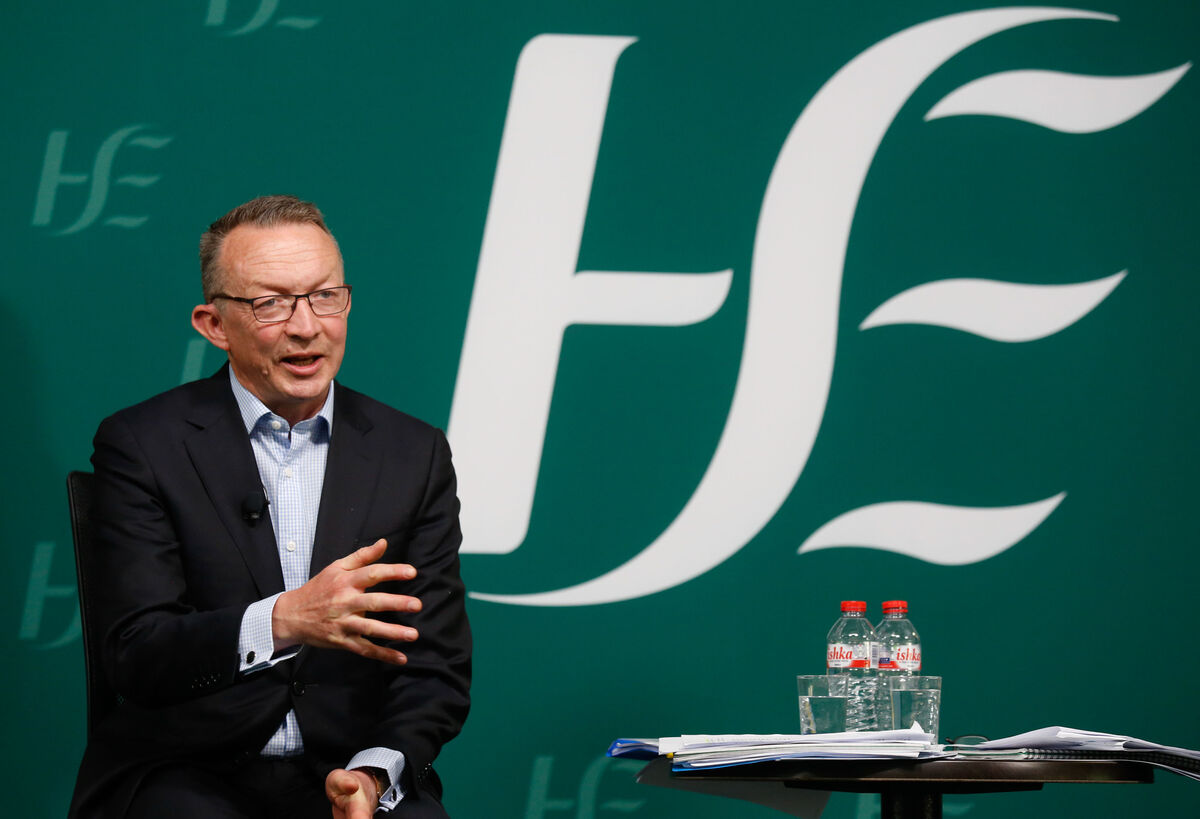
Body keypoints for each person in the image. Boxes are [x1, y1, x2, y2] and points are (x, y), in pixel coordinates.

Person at [68, 195, 471, 819]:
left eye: (324, 297)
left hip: (348, 767)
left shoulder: (412, 453)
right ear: (212, 324)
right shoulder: (143, 445)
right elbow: (137, 653)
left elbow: (437, 668)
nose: (306, 326)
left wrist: (375, 772)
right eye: (270, 304)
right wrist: (282, 619)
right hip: (188, 769)